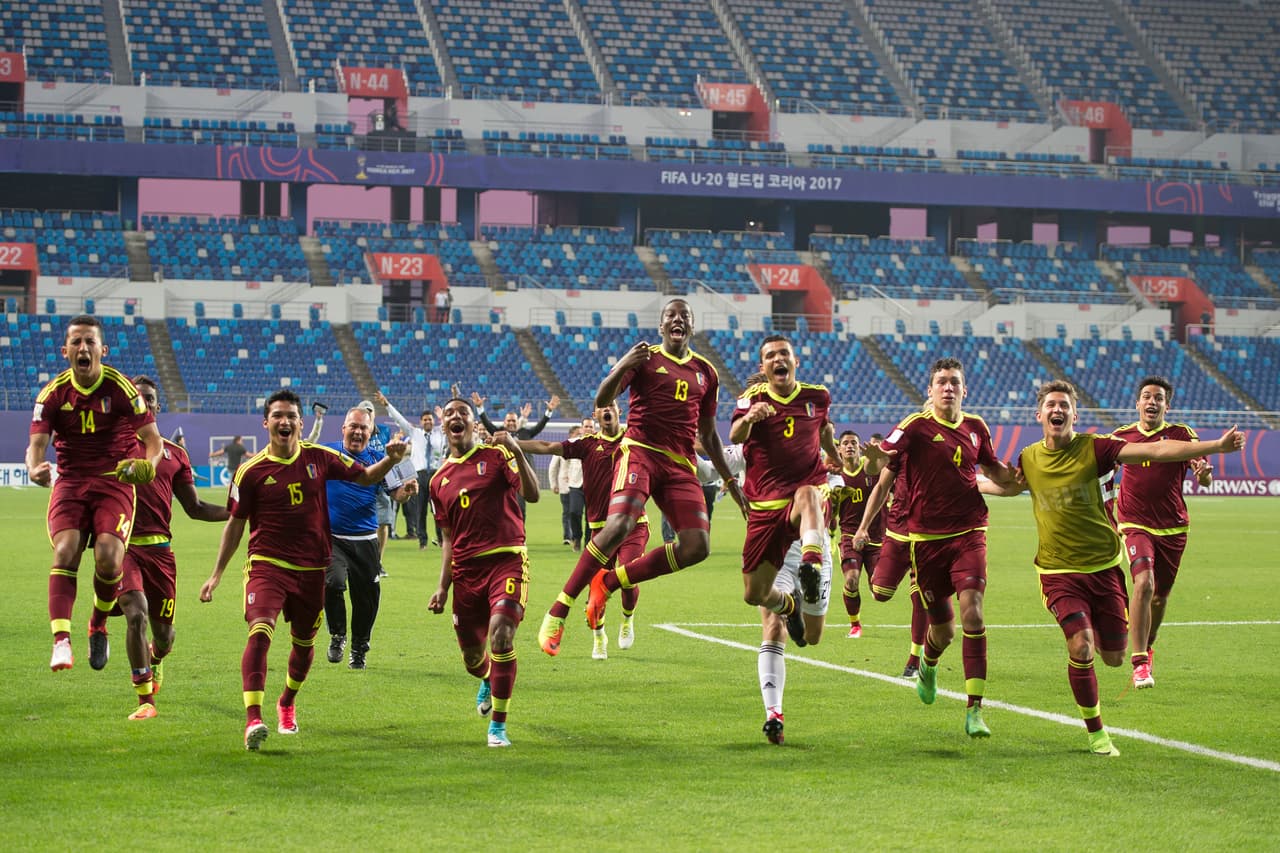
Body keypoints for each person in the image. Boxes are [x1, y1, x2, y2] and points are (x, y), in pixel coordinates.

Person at [998, 380, 1243, 756]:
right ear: (1039, 414)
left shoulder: (1100, 446)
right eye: (1051, 405)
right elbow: (1008, 486)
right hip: (1065, 567)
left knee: (1115, 652)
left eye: (1064, 405)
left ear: (1075, 415)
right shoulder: (1029, 457)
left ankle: (1128, 643)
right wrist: (965, 483)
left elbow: (1162, 450)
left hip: (1112, 563)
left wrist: (1216, 448)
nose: (1057, 410)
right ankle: (1098, 730)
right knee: (1088, 639)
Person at [198, 389, 407, 751]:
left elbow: (365, 477)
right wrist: (216, 574)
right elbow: (235, 524)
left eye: (291, 415)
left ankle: (287, 702)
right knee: (260, 631)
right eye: (278, 415)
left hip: (311, 568)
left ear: (300, 422)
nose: (285, 421)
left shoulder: (321, 458)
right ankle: (253, 719)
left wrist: (391, 461)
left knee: (304, 644)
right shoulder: (249, 472)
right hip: (267, 564)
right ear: (266, 422)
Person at [562, 299, 744, 644]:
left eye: (684, 317)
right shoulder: (646, 359)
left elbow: (707, 435)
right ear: (661, 326)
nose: (678, 321)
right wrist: (623, 363)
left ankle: (610, 581)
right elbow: (602, 399)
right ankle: (562, 605)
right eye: (670, 316)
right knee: (619, 525)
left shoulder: (707, 372)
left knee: (698, 546)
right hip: (642, 452)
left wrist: (731, 481)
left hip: (680, 465)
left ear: (692, 326)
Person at [854, 357, 1016, 738]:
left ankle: (974, 710)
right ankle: (926, 663)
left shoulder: (977, 428)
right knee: (942, 631)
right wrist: (874, 458)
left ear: (964, 389)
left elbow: (993, 471)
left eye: (954, 382)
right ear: (929, 391)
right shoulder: (914, 426)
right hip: (924, 542)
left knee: (972, 614)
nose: (948, 387)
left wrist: (1019, 478)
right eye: (941, 382)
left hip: (970, 533)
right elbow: (882, 459)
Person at [25, 314, 164, 673]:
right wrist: (34, 467)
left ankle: (98, 623)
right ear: (65, 350)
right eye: (77, 342)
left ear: (102, 349)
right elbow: (35, 446)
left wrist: (147, 464)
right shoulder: (52, 395)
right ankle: (61, 641)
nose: (83, 348)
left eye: (90, 342)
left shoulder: (121, 388)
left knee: (108, 557)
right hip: (71, 482)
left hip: (112, 482)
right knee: (65, 549)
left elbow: (153, 442)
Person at [92, 376, 230, 719]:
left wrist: (239, 512)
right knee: (134, 614)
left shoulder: (175, 455)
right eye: (137, 399)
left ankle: (156, 656)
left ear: (156, 406)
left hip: (161, 554)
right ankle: (145, 701)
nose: (144, 403)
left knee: (165, 637)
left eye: (150, 399)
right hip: (124, 550)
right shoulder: (107, 448)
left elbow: (195, 508)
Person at [428, 397, 540, 747]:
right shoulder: (437, 481)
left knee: (502, 636)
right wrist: (442, 588)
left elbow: (532, 494)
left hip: (506, 560)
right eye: (449, 413)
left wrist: (516, 449)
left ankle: (498, 728)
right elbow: (447, 539)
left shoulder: (496, 455)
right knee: (473, 659)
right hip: (465, 575)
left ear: (474, 422)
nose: (456, 417)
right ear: (443, 424)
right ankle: (487, 677)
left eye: (463, 412)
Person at [729, 335, 838, 651]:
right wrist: (750, 417)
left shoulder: (818, 396)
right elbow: (735, 433)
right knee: (753, 594)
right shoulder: (751, 397)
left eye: (784, 353)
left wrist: (835, 456)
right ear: (763, 366)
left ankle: (812, 565)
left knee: (808, 494)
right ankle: (790, 606)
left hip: (807, 497)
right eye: (771, 356)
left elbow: (824, 431)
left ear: (796, 361)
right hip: (766, 509)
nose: (779, 359)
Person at [522, 401, 647, 660]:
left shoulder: (634, 441)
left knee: (628, 576)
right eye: (601, 407)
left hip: (633, 525)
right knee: (595, 591)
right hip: (600, 531)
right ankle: (599, 637)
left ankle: (627, 618)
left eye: (611, 405)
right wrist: (513, 444)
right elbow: (546, 447)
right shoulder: (587, 444)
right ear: (595, 415)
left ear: (619, 411)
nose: (607, 410)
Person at [1111, 376, 1214, 689]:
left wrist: (1204, 474)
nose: (1151, 402)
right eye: (1146, 396)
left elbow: (1204, 477)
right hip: (1133, 523)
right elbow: (1099, 471)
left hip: (1173, 527)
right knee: (1143, 581)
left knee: (1159, 598)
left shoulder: (1181, 435)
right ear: (1138, 403)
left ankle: (1148, 645)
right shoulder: (1121, 437)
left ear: (1167, 406)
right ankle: (1139, 662)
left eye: (1158, 398)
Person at [323, 406, 417, 670]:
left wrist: (407, 492)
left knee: (367, 600)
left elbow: (397, 493)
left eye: (363, 427)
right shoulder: (327, 453)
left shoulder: (380, 459)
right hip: (332, 538)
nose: (358, 431)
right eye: (353, 425)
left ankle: (359, 649)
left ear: (370, 431)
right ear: (343, 428)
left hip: (365, 540)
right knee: (332, 583)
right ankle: (338, 635)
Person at [830, 430, 885, 639]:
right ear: (840, 449)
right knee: (851, 580)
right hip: (849, 537)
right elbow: (830, 509)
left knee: (880, 590)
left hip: (878, 537)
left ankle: (876, 586)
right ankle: (855, 625)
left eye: (854, 442)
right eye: (845, 443)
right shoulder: (835, 477)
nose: (850, 446)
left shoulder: (871, 467)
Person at [379, 392, 446, 546]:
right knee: (420, 509)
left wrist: (442, 417)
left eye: (430, 419)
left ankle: (441, 539)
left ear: (433, 421)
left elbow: (448, 425)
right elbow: (400, 419)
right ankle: (422, 541)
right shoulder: (414, 433)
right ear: (421, 422)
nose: (428, 421)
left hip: (436, 474)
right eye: (425, 420)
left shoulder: (439, 434)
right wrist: (387, 404)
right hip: (420, 474)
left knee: (438, 509)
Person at [548, 426, 585, 550]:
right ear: (571, 434)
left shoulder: (584, 445)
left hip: (580, 483)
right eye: (577, 433)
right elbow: (553, 467)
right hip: (566, 484)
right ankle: (569, 536)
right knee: (569, 512)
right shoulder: (563, 447)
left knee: (583, 513)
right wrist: (554, 484)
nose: (579, 435)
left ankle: (586, 540)